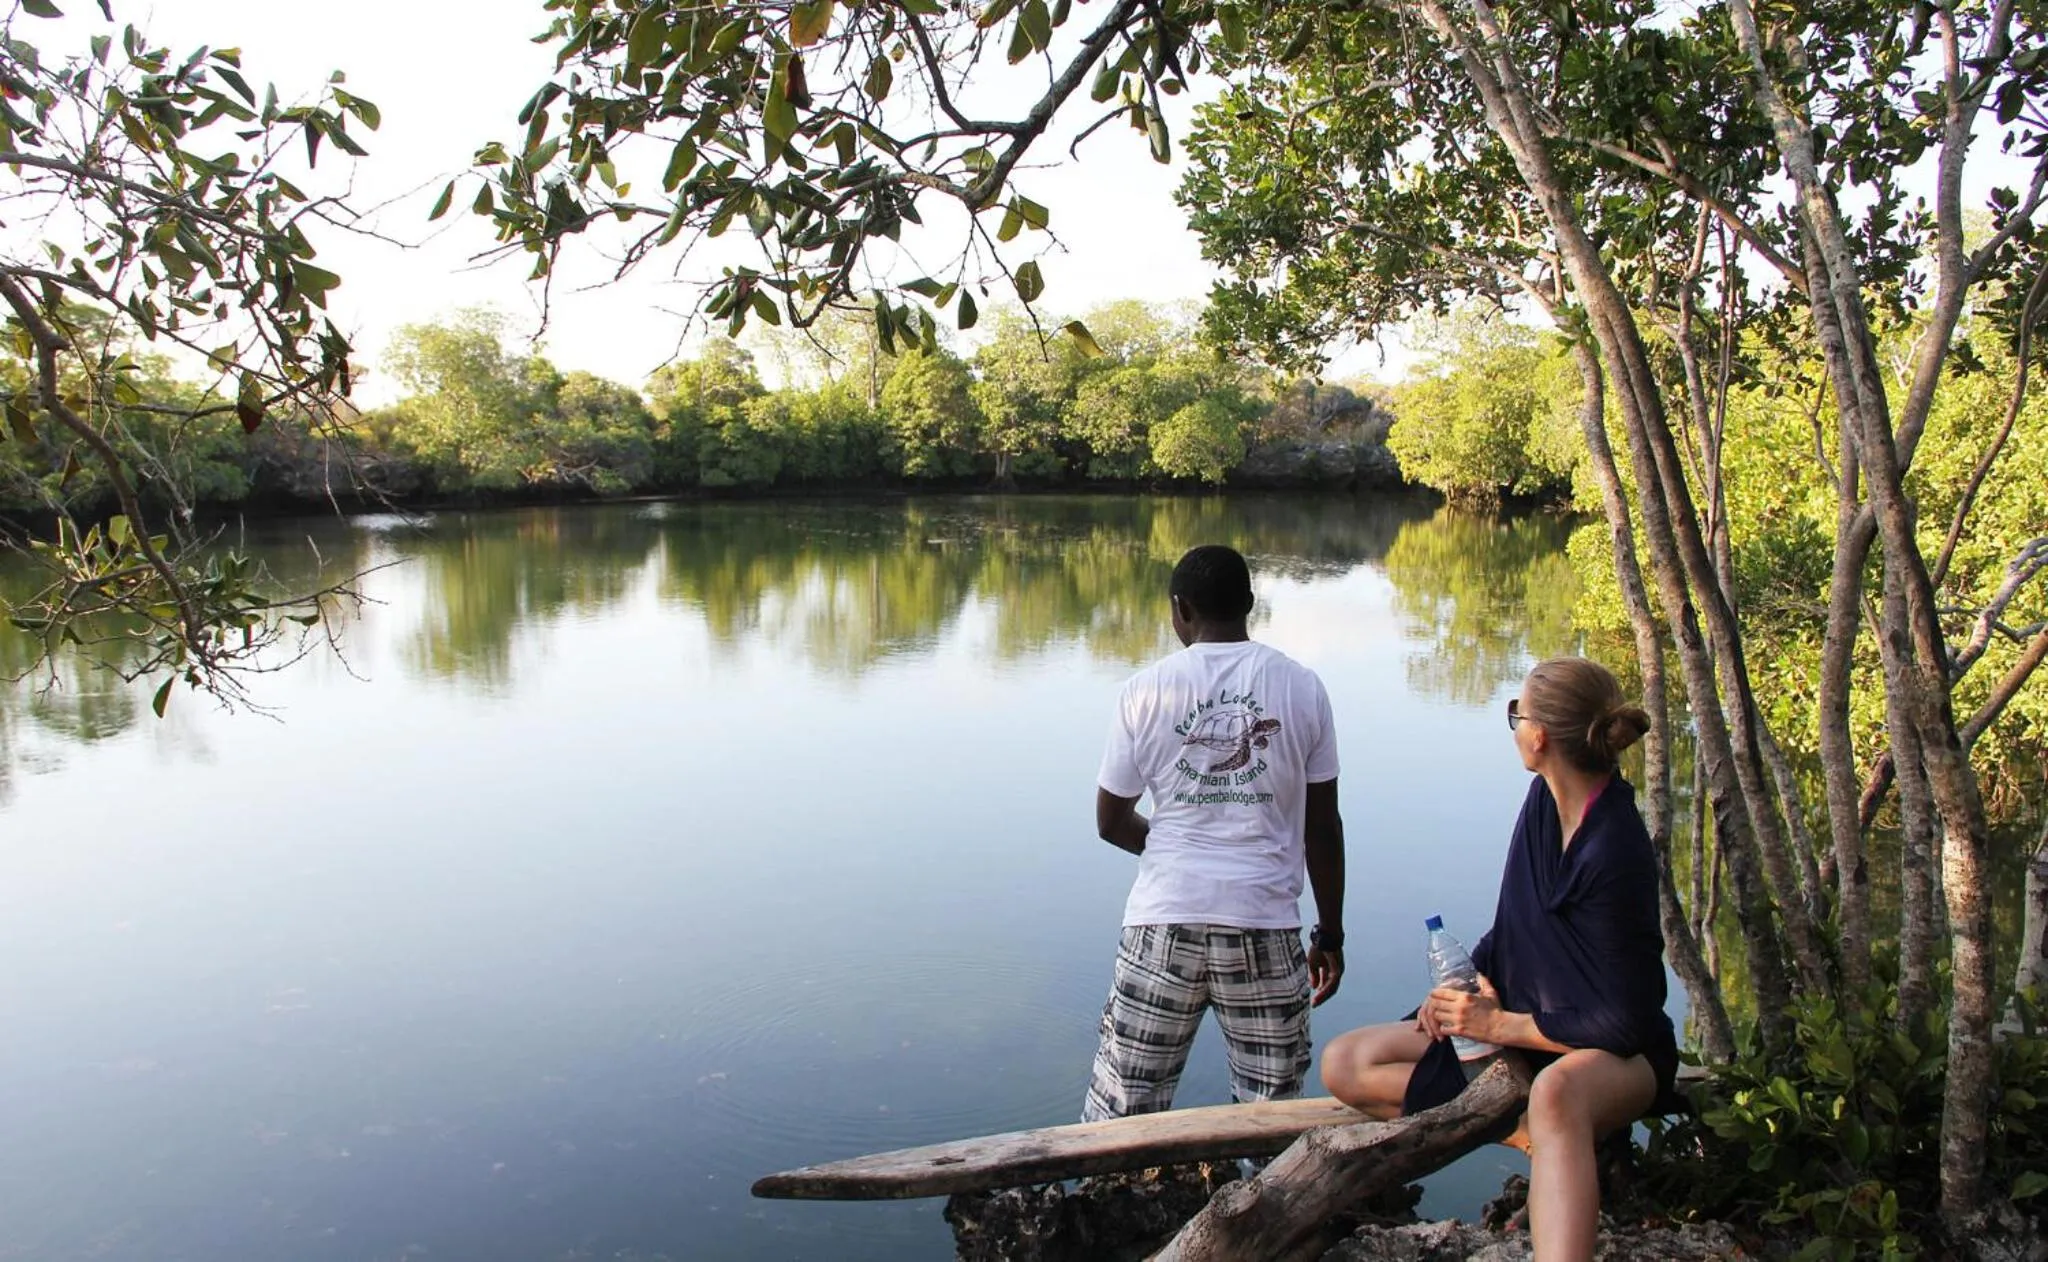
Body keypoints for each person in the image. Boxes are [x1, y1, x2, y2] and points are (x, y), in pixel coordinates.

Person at [1319, 656, 1679, 1262]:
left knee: (1558, 1093)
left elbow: (1624, 1023)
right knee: (1347, 1061)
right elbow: (1515, 924)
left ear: (1538, 736)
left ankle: (1552, 1146)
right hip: (1520, 1026)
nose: (1514, 727)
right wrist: (1462, 994)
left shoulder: (1614, 847)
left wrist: (1498, 1026)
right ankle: (1534, 1137)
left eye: (1517, 715)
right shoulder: (1544, 804)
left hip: (1615, 1056)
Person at [1083, 544, 1347, 1123]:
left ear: (1179, 609)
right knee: (1268, 1118)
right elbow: (1321, 828)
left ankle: (1105, 1205)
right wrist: (1330, 932)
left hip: (1162, 921)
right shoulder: (1302, 687)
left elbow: (1110, 822)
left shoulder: (1143, 690)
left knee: (1123, 1110)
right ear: (1251, 603)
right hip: (1264, 922)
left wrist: (1175, 852)